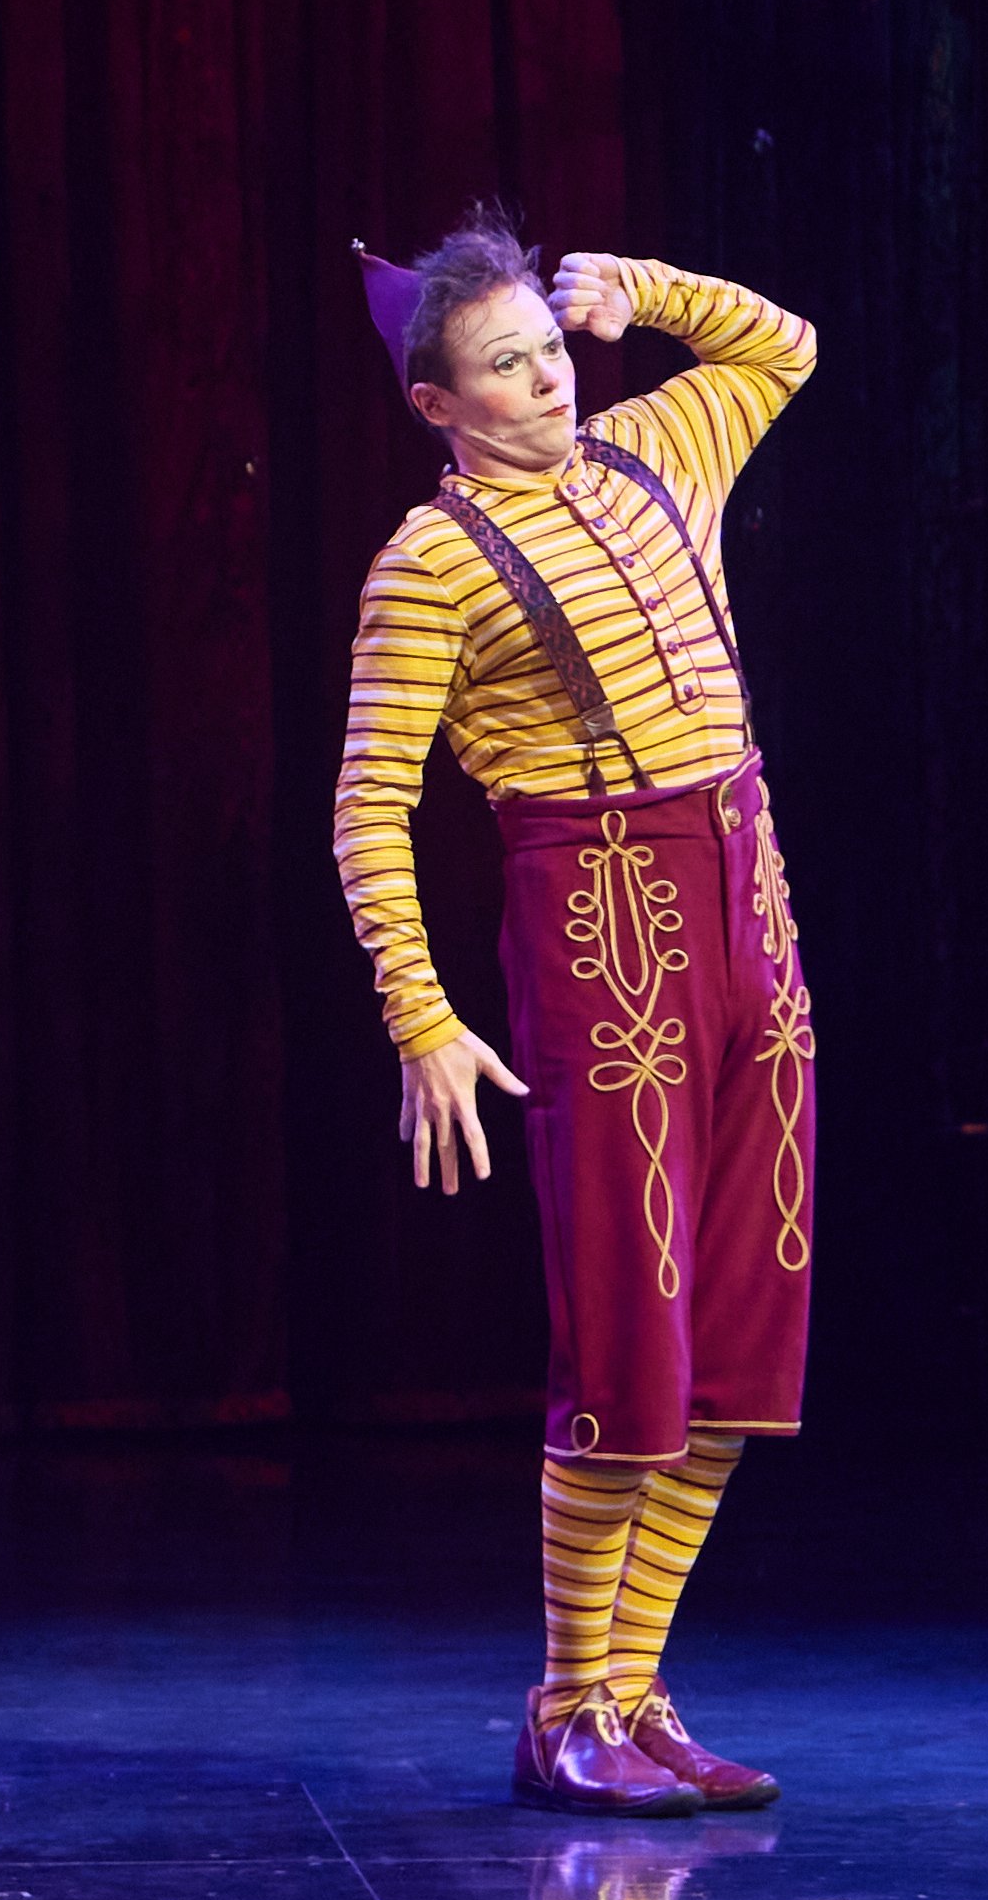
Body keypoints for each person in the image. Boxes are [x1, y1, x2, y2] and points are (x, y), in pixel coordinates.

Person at [332, 211, 821, 1817]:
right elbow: (368, 806)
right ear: (438, 406)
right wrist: (421, 1015)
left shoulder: (656, 443)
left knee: (745, 1328)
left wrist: (652, 291)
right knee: (631, 1325)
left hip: (744, 895)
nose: (544, 385)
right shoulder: (433, 560)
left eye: (548, 350)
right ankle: (566, 1707)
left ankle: (641, 1687)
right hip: (601, 914)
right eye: (505, 370)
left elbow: (787, 347)